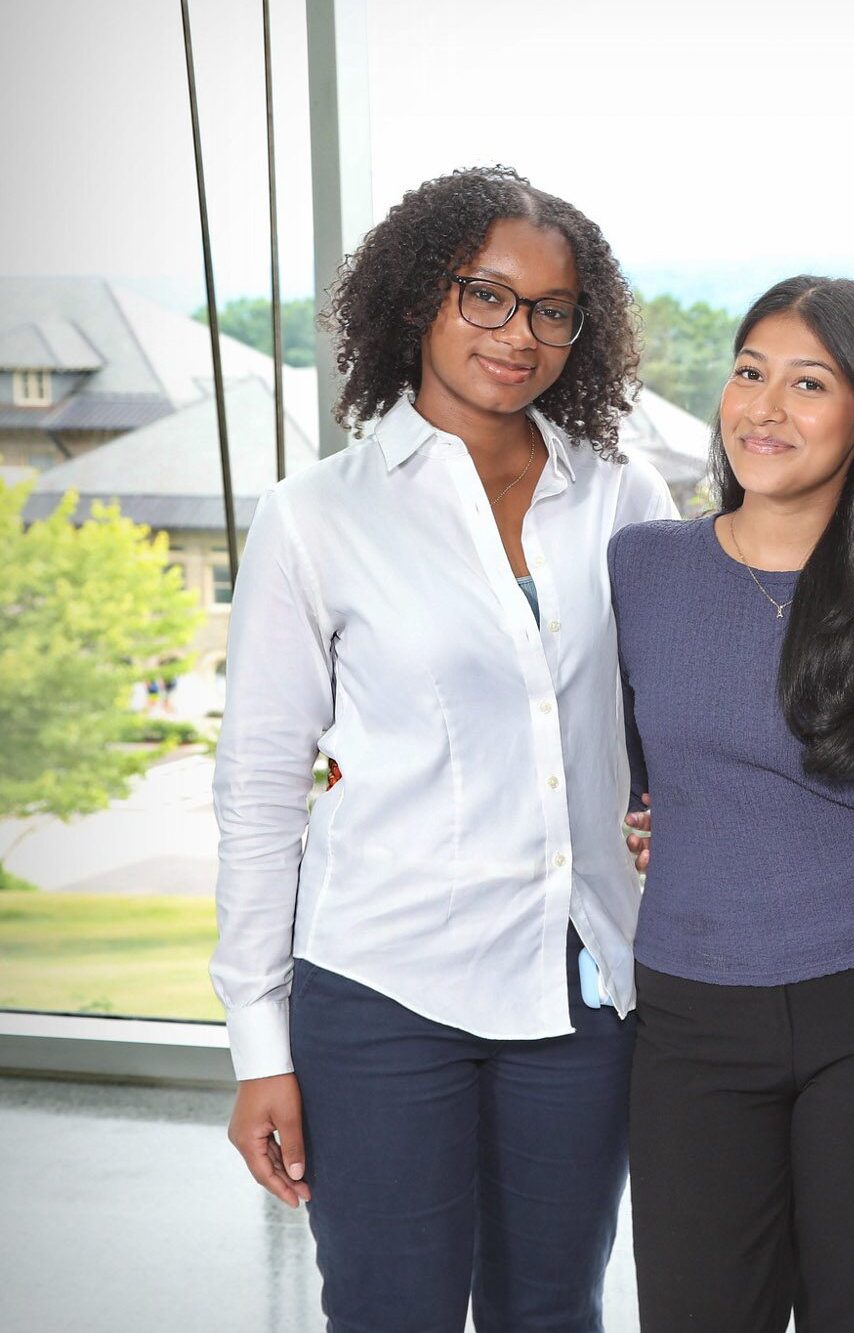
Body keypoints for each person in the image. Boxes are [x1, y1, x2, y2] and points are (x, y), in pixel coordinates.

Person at [213, 165, 675, 1332]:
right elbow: (260, 793)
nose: (517, 335)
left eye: (552, 310)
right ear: (421, 295)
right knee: (390, 1310)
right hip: (383, 989)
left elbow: (673, 720)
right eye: (486, 296)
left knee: (552, 1309)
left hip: (579, 990)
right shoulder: (317, 516)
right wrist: (258, 1046)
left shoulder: (623, 500)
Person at [613, 275, 854, 1333]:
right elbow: (630, 767)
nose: (765, 408)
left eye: (809, 383)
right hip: (690, 1010)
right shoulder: (640, 568)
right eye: (750, 372)